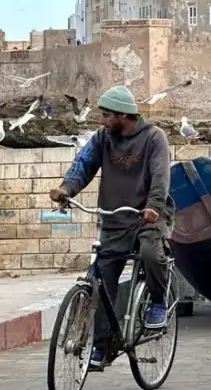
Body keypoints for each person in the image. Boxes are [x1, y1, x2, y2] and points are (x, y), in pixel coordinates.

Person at [48, 86, 173, 368]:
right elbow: (83, 165)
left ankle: (157, 302)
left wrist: (154, 206)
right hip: (114, 219)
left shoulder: (154, 138)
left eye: (106, 115)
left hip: (149, 216)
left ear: (122, 115)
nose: (101, 121)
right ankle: (101, 348)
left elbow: (160, 177)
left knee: (151, 253)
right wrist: (67, 188)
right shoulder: (103, 138)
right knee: (102, 282)